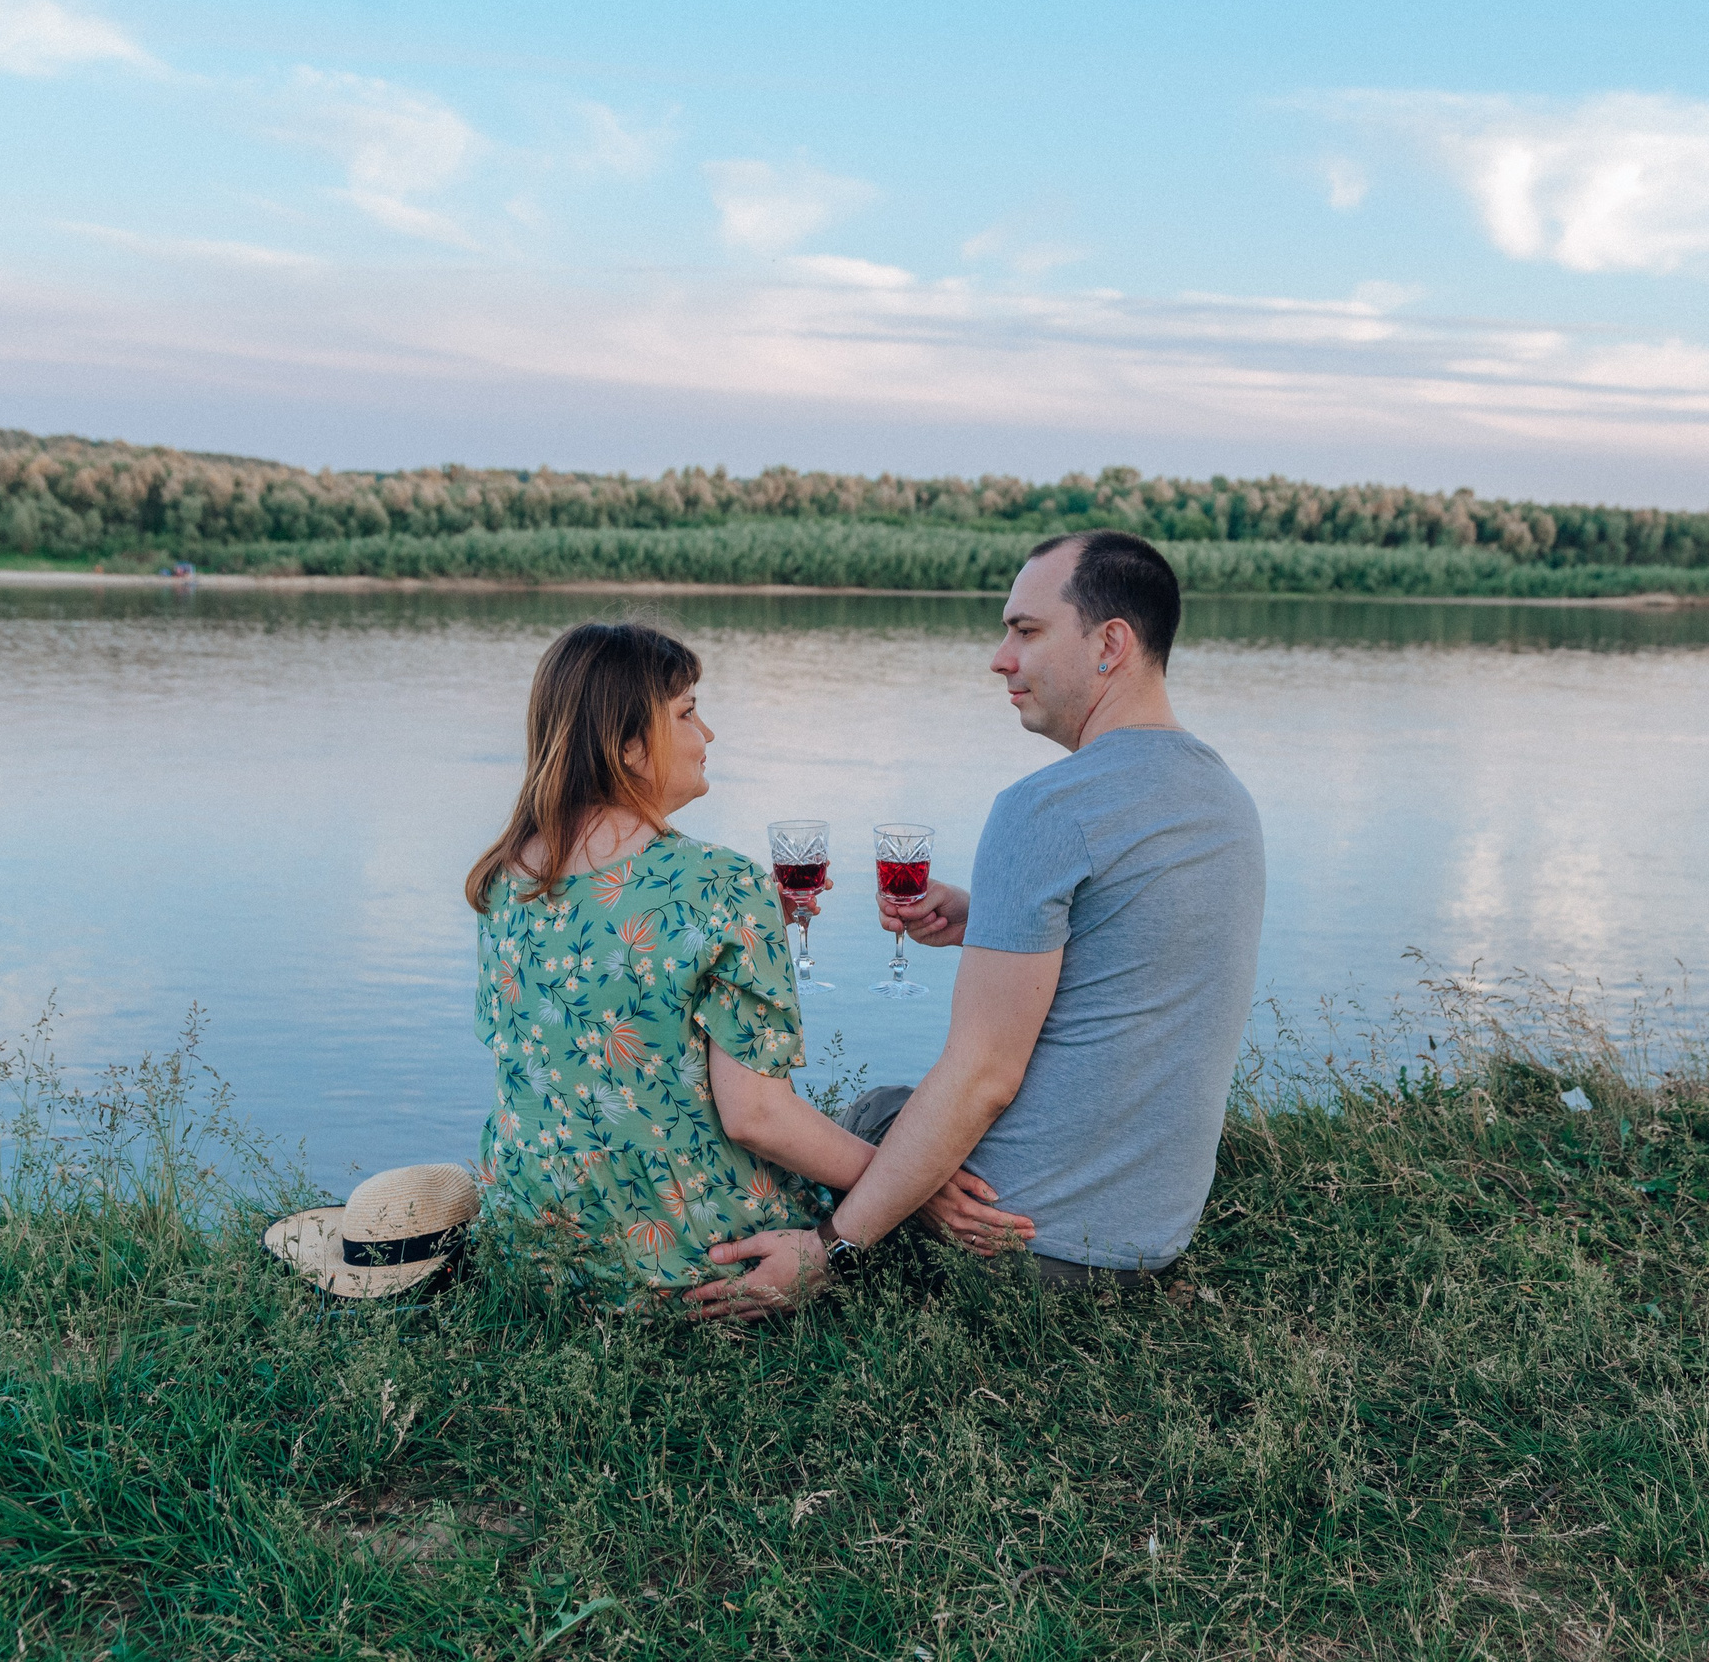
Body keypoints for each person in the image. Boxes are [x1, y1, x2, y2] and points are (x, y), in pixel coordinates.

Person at [691, 530, 1265, 1316]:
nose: (1001, 658)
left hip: (1021, 1245)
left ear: (1110, 644)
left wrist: (831, 1248)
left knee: (875, 1113)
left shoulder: (1046, 808)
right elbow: (1140, 951)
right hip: (1150, 1239)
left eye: (1025, 630)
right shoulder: (1226, 797)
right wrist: (987, 919)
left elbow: (983, 1077)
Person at [469, 620, 1007, 1317]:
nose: (708, 734)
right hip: (692, 1261)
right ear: (629, 747)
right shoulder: (721, 884)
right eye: (688, 713)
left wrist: (750, 926)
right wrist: (906, 1186)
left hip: (538, 1252)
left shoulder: (504, 878)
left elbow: (594, 1015)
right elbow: (756, 1116)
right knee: (893, 1119)